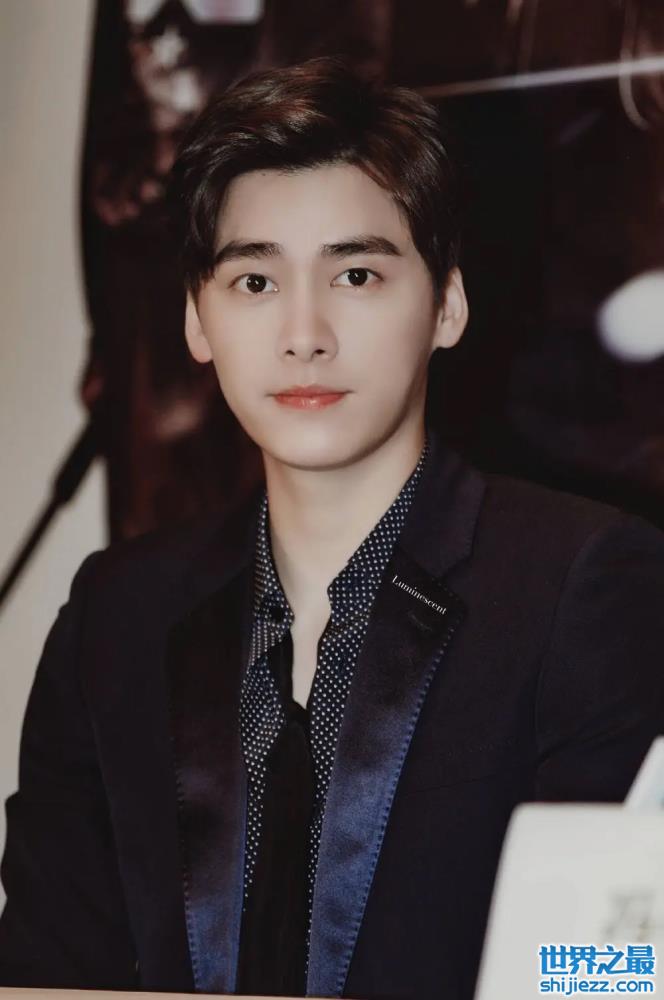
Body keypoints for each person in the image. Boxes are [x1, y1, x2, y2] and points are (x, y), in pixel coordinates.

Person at [1, 55, 664, 1000]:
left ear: (446, 305)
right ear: (197, 319)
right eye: (254, 282)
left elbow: (615, 967)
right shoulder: (117, 615)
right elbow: (45, 972)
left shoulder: (581, 584)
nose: (303, 333)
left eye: (356, 274)